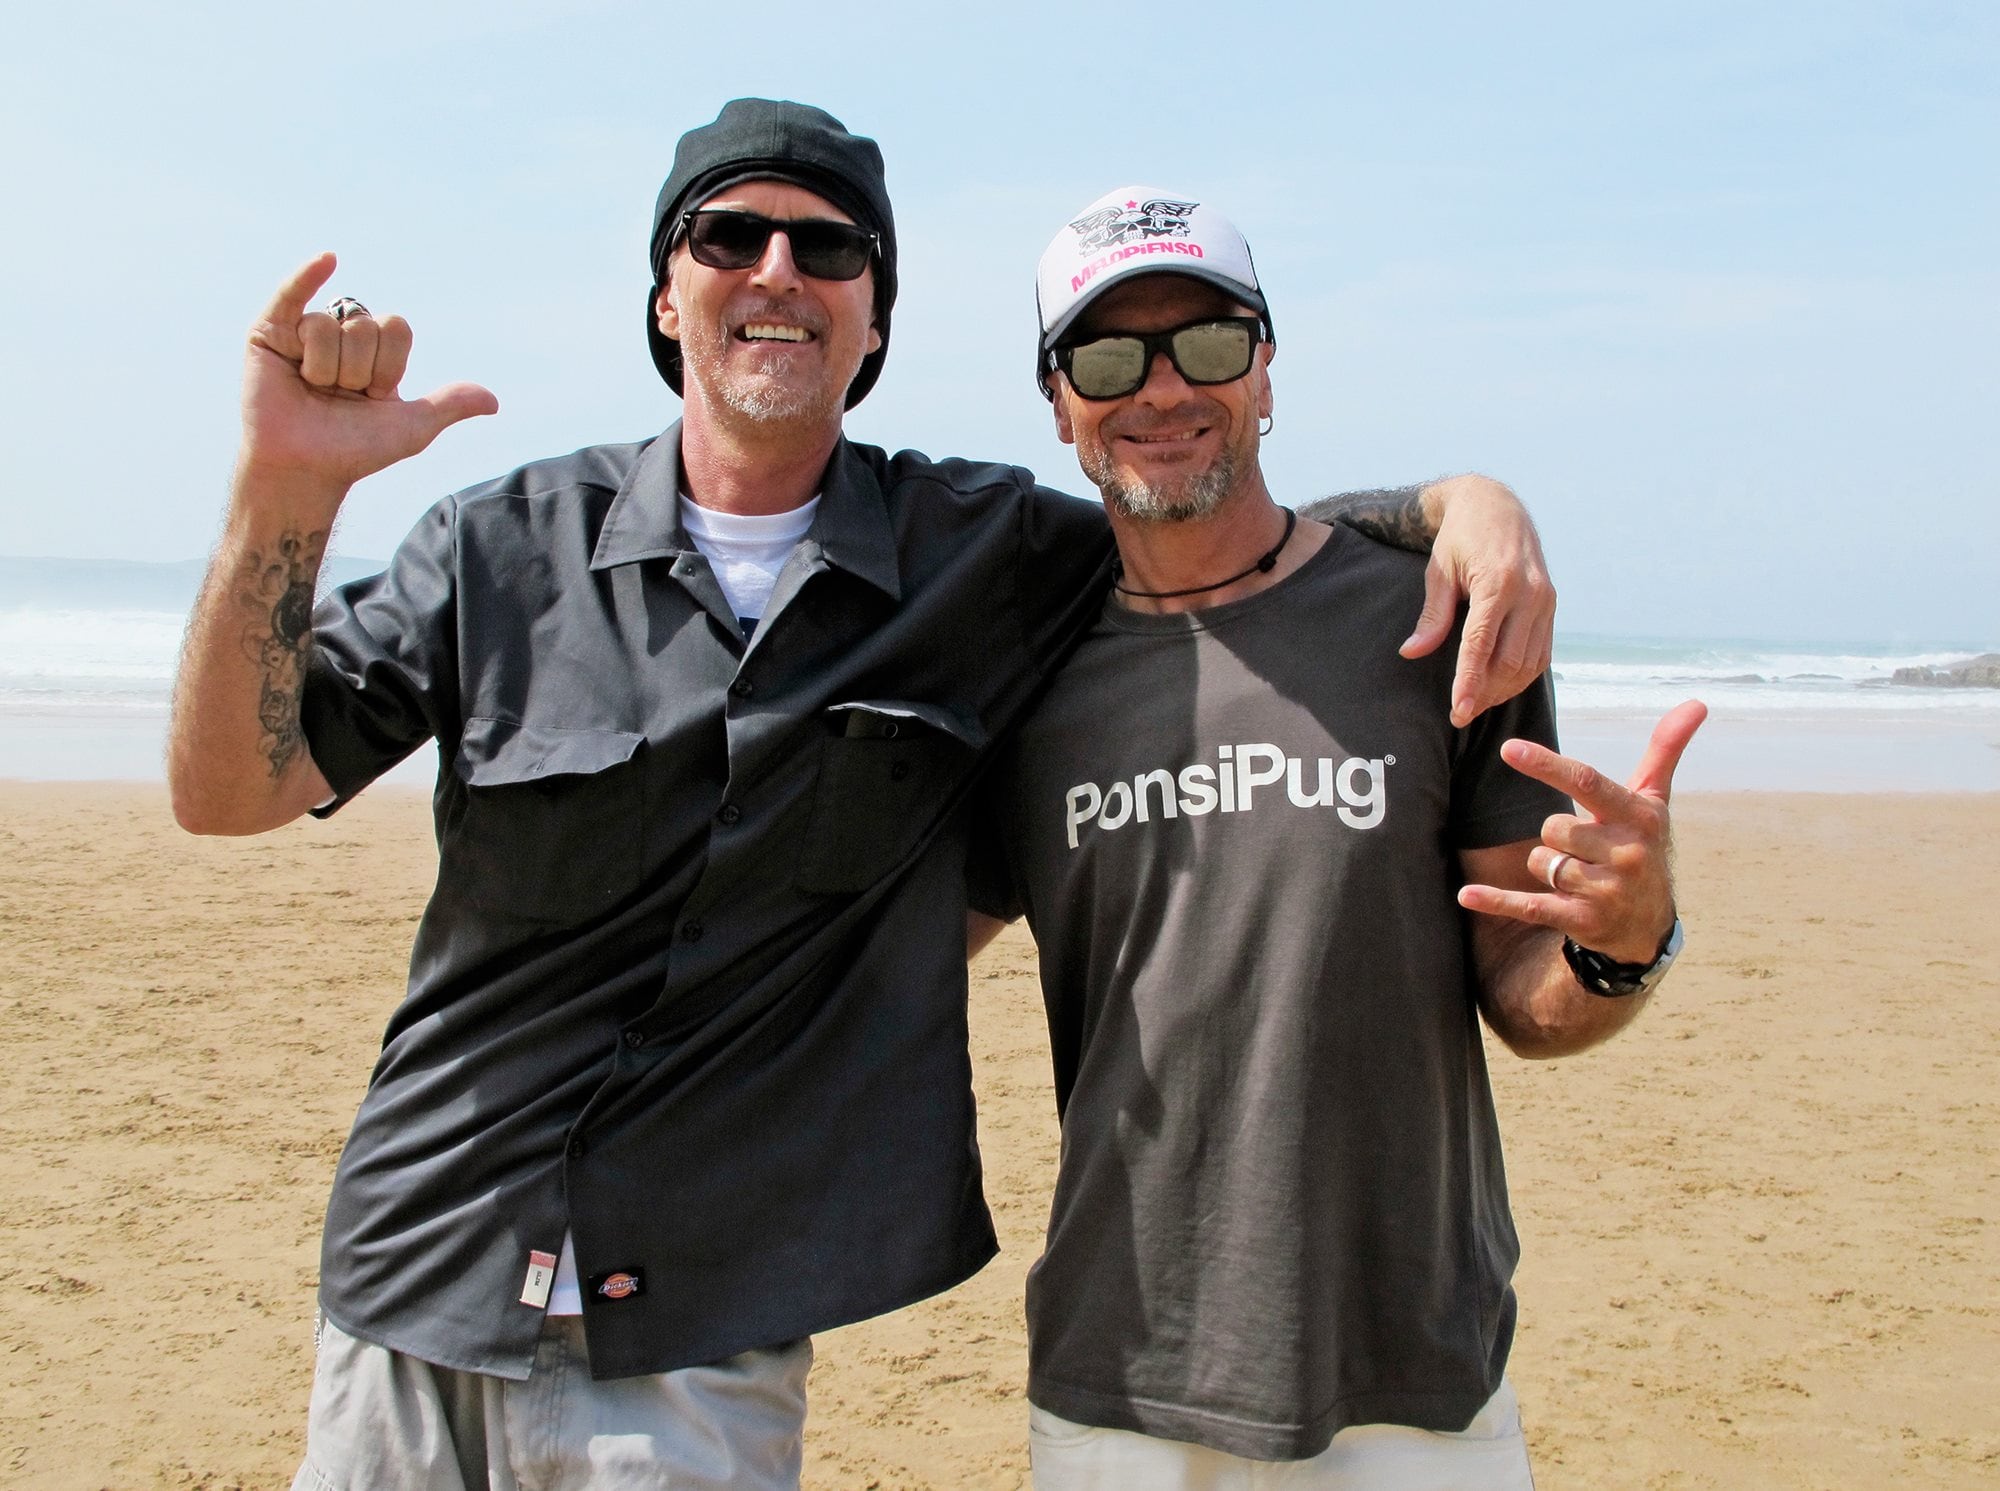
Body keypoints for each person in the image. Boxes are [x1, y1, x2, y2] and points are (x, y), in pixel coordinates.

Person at [168, 104, 1555, 1489]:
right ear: (668, 292)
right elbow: (232, 787)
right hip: (421, 1274)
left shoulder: (985, 558)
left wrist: (1458, 505)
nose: (778, 269)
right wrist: (279, 494)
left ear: (876, 320)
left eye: (828, 248)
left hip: (697, 1319)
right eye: (729, 234)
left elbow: (1198, 505)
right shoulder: (499, 547)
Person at [968, 186, 1703, 1489]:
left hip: (1411, 1373)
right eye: (1105, 355)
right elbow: (883, 954)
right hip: (1119, 1375)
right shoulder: (1025, 675)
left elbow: (1528, 1006)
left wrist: (1622, 946)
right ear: (1057, 398)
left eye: (1204, 342)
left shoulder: (1431, 619)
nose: (1160, 389)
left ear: (1264, 368)